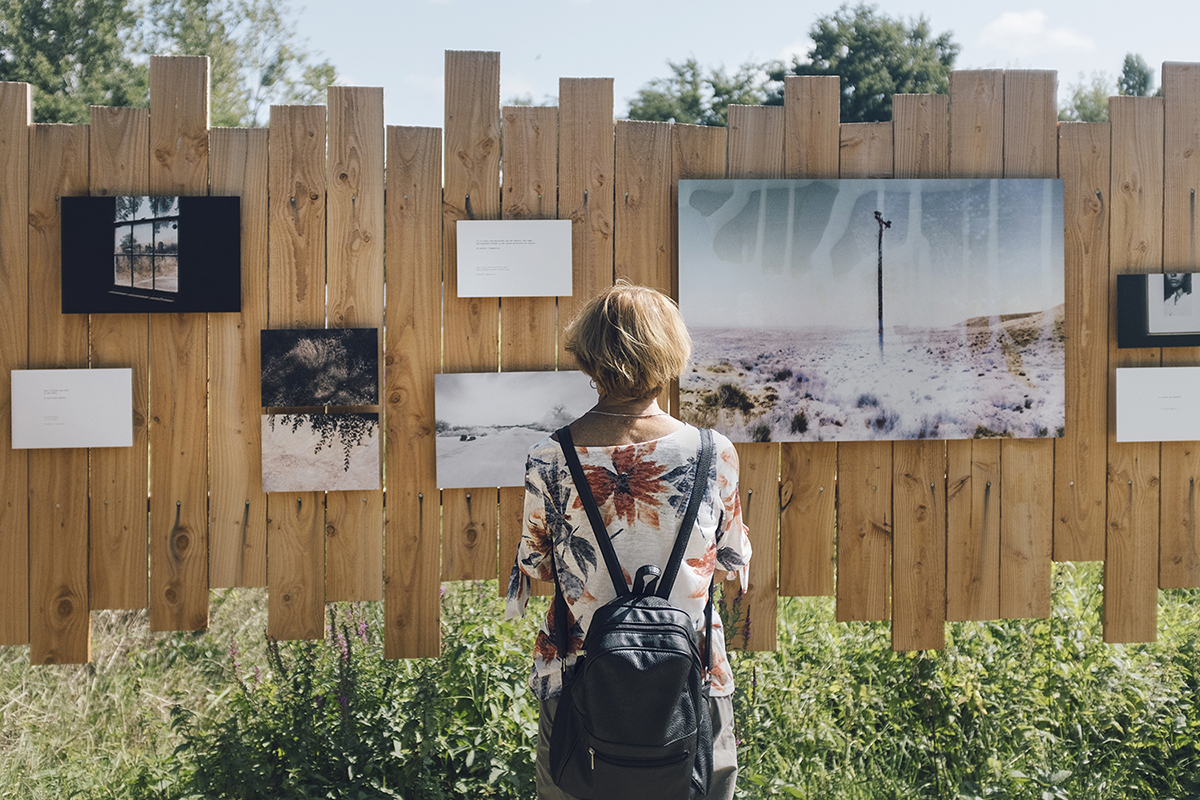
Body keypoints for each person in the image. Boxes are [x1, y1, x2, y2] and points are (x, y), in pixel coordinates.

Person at [505, 279, 752, 800]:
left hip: (578, 677)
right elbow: (730, 559)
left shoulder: (549, 459)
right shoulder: (714, 453)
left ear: (589, 358)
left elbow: (538, 566)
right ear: (669, 355)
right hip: (690, 678)